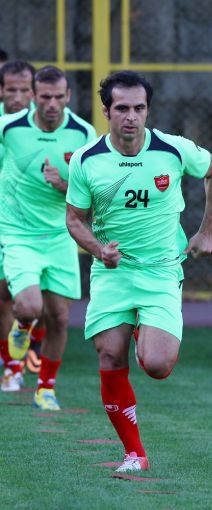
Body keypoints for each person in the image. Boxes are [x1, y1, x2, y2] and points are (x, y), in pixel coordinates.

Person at [65, 71, 212, 472]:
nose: (131, 116)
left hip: (160, 272)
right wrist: (99, 250)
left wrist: (207, 230)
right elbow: (75, 219)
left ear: (148, 110)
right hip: (113, 273)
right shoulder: (87, 160)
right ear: (106, 111)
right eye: (122, 108)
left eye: (139, 108)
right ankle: (135, 453)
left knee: (157, 365)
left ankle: (144, 332)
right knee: (109, 355)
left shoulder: (172, 149)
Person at [0, 66, 96, 408]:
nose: (52, 104)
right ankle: (23, 327)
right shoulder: (8, 128)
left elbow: (91, 195)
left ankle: (45, 389)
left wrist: (63, 185)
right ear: (33, 96)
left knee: (59, 317)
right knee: (28, 305)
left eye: (58, 97)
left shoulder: (83, 133)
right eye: (45, 97)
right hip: (17, 233)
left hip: (59, 235)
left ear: (68, 96)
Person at [0, 60, 38, 391]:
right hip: (6, 224)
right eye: (11, 90)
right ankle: (12, 366)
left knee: (47, 304)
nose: (17, 97)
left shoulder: (50, 125)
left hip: (40, 228)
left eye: (24, 90)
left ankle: (28, 355)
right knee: (3, 294)